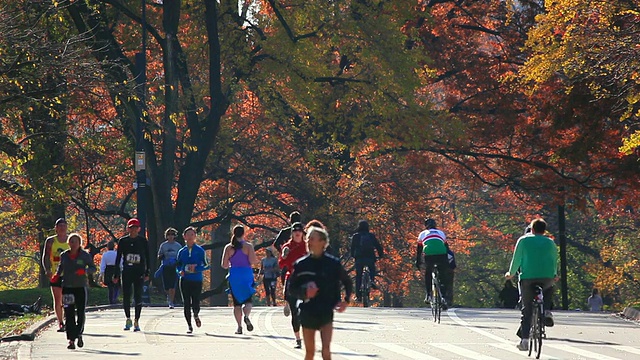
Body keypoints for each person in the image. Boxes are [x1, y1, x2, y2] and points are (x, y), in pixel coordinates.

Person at [289, 226, 353, 360]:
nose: (308, 242)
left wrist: (346, 301)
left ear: (323, 242)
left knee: (326, 351)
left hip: (326, 310)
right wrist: (305, 292)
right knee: (310, 352)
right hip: (308, 310)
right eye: (308, 239)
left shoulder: (333, 264)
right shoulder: (301, 265)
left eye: (312, 239)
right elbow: (292, 288)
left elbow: (347, 282)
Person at [505, 218, 558, 351]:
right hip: (547, 277)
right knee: (549, 288)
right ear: (544, 230)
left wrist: (510, 274)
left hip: (528, 278)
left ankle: (524, 341)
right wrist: (554, 274)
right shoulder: (550, 242)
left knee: (526, 309)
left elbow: (516, 259)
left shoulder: (523, 240)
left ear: (532, 229)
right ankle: (546, 310)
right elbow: (554, 259)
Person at [51, 233, 97, 350]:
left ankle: (79, 333)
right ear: (68, 243)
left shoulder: (85, 256)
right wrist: (56, 275)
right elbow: (60, 268)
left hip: (80, 287)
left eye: (75, 242)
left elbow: (93, 268)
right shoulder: (64, 255)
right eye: (71, 242)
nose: (73, 244)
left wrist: (85, 271)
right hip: (67, 287)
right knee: (69, 312)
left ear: (79, 243)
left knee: (81, 312)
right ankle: (71, 340)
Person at [221, 224, 259, 335]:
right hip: (246, 274)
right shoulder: (248, 246)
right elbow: (252, 260)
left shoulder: (228, 247)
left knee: (236, 303)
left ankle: (239, 327)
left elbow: (224, 264)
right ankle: (246, 316)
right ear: (243, 233)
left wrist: (232, 264)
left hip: (234, 275)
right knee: (248, 300)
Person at [114, 218, 150, 332]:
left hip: (139, 271)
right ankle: (128, 318)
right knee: (126, 295)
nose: (133, 230)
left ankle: (136, 320)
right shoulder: (123, 241)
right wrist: (116, 274)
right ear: (128, 229)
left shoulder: (143, 241)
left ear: (138, 229)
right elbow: (118, 257)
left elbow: (148, 257)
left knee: (138, 295)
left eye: (135, 228)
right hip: (127, 271)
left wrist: (148, 271)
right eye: (131, 228)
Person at [278, 222, 308, 348]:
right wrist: (284, 256)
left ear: (302, 233)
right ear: (292, 233)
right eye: (295, 231)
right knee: (294, 312)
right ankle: (298, 339)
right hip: (292, 278)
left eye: (299, 231)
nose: (297, 233)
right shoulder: (287, 246)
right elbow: (281, 264)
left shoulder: (307, 246)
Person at [176, 226, 210, 333]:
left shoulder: (200, 251)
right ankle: (189, 325)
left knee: (196, 301)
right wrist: (180, 271)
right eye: (188, 235)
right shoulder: (182, 251)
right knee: (186, 302)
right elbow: (178, 265)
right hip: (185, 279)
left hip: (196, 280)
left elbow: (207, 265)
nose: (190, 237)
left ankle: (196, 314)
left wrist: (197, 268)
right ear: (184, 236)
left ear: (195, 236)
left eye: (192, 234)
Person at [416, 218, 452, 308]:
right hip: (442, 254)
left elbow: (419, 249)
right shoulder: (441, 233)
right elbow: (446, 247)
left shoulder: (422, 234)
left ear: (426, 226)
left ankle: (428, 295)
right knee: (443, 275)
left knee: (428, 272)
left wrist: (418, 261)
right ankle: (443, 296)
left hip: (429, 254)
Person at [42, 218, 70, 332]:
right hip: (55, 274)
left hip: (69, 275)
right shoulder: (51, 241)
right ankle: (60, 322)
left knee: (67, 299)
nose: (62, 228)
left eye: (64, 226)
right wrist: (47, 270)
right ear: (56, 228)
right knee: (58, 299)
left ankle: (69, 320)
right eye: (60, 226)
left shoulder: (71, 240)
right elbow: (45, 256)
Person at [350, 220, 384, 302]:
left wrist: (353, 256)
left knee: (359, 276)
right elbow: (378, 246)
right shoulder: (371, 236)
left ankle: (358, 295)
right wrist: (381, 255)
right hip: (370, 257)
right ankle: (371, 281)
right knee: (372, 269)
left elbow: (352, 248)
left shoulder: (356, 236)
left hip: (359, 258)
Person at [157, 227, 182, 309]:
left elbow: (181, 256)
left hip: (174, 267)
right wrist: (162, 256)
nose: (170, 236)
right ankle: (168, 296)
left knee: (173, 285)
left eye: (172, 235)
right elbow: (159, 255)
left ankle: (171, 301)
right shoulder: (163, 245)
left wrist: (177, 262)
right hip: (165, 266)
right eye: (169, 235)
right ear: (166, 236)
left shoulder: (178, 246)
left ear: (175, 236)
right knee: (167, 286)